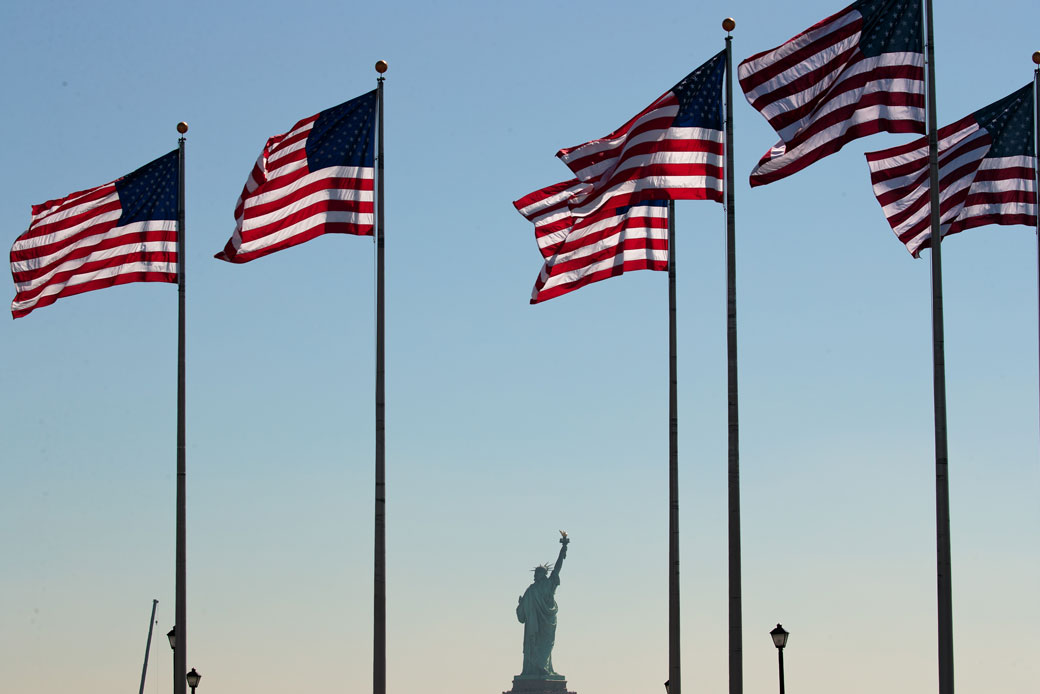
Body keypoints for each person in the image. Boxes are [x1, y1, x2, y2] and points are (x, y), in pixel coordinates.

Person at [516, 533, 569, 679]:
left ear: (543, 574)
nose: (535, 576)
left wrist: (563, 550)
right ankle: (538, 669)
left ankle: (544, 667)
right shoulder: (531, 590)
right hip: (535, 623)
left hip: (547, 621)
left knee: (546, 645)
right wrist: (521, 605)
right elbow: (522, 613)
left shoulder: (549, 584)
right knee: (535, 645)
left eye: (537, 574)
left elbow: (557, 567)